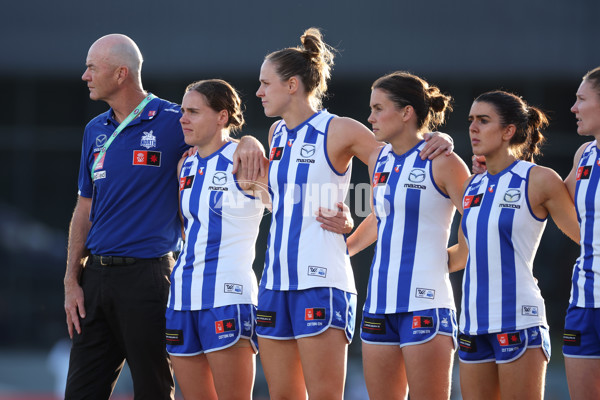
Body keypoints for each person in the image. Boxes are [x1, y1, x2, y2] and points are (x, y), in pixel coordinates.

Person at [253, 28, 454, 399]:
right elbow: (275, 201)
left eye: (266, 83)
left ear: (293, 85)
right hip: (274, 282)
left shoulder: (339, 128)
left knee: (325, 395)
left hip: (322, 281)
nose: (259, 92)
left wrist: (440, 139)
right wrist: (247, 146)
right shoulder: (275, 133)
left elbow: (402, 155)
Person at [63, 34, 264, 399]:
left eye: (92, 67)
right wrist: (71, 280)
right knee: (79, 391)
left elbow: (221, 139)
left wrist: (252, 142)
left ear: (121, 73)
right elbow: (84, 209)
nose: (84, 75)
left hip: (148, 277)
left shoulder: (174, 120)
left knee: (153, 389)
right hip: (95, 279)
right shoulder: (95, 130)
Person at [345, 71, 470, 399]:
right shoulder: (380, 158)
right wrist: (343, 251)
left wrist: (454, 259)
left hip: (426, 304)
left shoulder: (443, 161)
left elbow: (479, 221)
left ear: (406, 112)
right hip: (378, 304)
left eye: (377, 108)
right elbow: (379, 217)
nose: (370, 117)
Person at [448, 90, 580, 400]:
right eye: (470, 121)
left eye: (483, 120)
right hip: (472, 323)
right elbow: (463, 255)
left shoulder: (539, 179)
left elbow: (586, 237)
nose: (473, 128)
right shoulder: (471, 186)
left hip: (519, 319)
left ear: (509, 131)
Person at [164, 79, 270, 400]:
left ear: (222, 117)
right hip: (181, 298)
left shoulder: (246, 159)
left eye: (194, 112)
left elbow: (292, 210)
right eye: (183, 111)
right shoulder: (186, 164)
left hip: (228, 297)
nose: (183, 118)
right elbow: (186, 228)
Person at [562, 66, 600, 399]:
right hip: (585, 303)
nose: (574, 108)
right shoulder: (584, 155)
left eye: (581, 99)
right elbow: (544, 198)